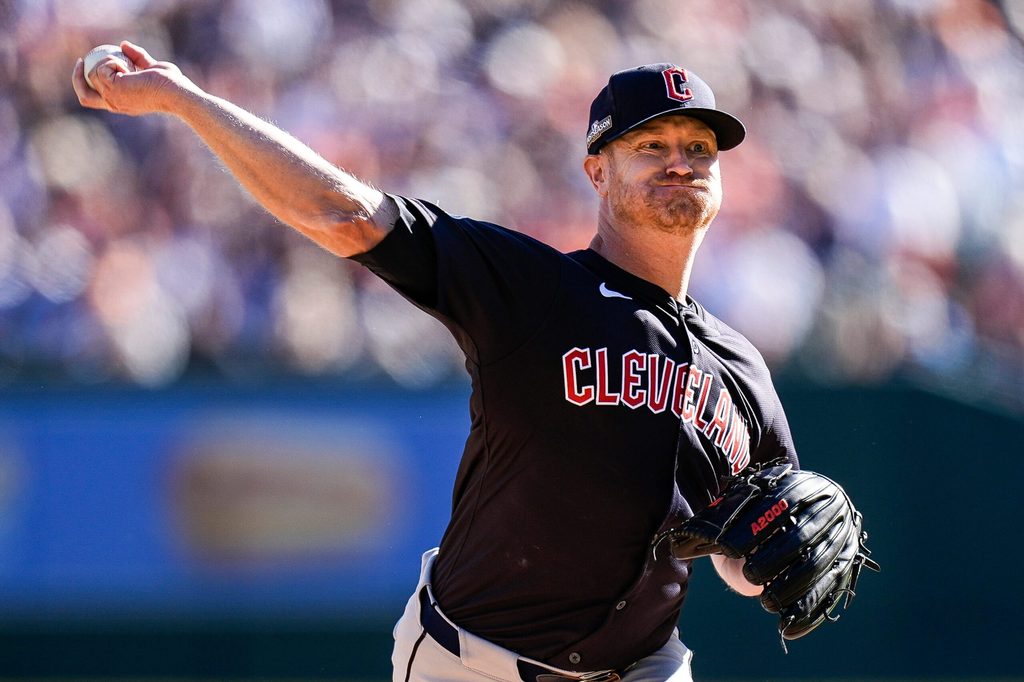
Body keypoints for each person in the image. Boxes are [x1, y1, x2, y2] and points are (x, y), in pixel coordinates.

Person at [74, 44, 799, 682]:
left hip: (644, 667)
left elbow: (744, 549)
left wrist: (771, 561)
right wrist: (188, 101)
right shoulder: (530, 288)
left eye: (699, 148)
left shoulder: (741, 369)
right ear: (597, 172)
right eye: (651, 146)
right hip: (475, 661)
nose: (681, 161)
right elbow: (346, 212)